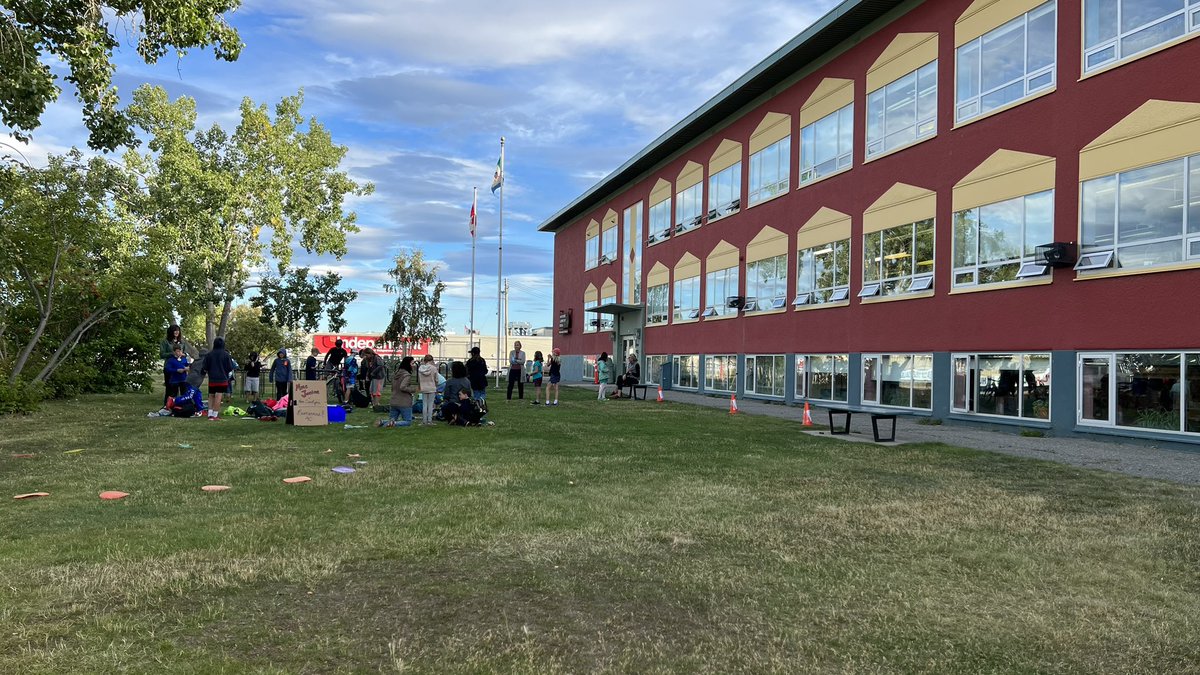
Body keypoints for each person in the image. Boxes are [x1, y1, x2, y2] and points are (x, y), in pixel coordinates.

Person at [200, 338, 235, 420]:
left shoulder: (209, 354)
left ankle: (210, 414)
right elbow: (230, 367)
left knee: (211, 395)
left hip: (212, 378)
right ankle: (215, 415)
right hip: (222, 379)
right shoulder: (226, 354)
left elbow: (205, 367)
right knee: (218, 395)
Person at [380, 356, 415, 427]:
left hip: (394, 400)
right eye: (412, 363)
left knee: (392, 419)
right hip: (404, 401)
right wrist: (412, 389)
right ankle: (394, 424)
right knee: (408, 421)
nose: (413, 365)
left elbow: (393, 387)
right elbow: (403, 387)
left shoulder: (396, 374)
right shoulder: (407, 375)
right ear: (408, 364)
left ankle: (383, 422)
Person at [159, 325, 189, 407]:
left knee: (183, 388)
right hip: (170, 367)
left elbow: (186, 353)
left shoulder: (182, 342)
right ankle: (167, 406)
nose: (176, 332)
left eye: (178, 330)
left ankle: (182, 406)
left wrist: (183, 354)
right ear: (170, 332)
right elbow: (162, 354)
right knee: (170, 388)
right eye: (174, 330)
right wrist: (173, 354)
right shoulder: (165, 342)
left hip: (181, 367)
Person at [324, 339, 348, 404]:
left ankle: (335, 388)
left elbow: (346, 359)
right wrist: (324, 363)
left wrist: (345, 365)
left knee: (336, 376)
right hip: (330, 363)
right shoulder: (334, 349)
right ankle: (324, 382)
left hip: (335, 364)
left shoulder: (343, 351)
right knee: (326, 374)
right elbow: (327, 355)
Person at [417, 354, 439, 426]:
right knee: (430, 405)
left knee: (424, 405)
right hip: (432, 387)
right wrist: (436, 385)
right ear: (431, 360)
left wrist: (420, 386)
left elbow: (419, 379)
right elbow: (436, 379)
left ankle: (424, 421)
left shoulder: (420, 368)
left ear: (424, 360)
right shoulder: (434, 368)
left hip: (424, 387)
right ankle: (430, 421)